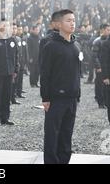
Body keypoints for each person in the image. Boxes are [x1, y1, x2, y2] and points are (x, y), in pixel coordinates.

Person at [40, 9, 81, 164]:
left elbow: (77, 72)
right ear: (59, 24)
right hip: (56, 99)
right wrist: (45, 98)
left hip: (72, 98)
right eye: (68, 20)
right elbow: (45, 74)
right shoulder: (51, 46)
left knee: (66, 135)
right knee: (52, 135)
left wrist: (78, 94)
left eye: (74, 20)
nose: (72, 23)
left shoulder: (76, 45)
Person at [0, 19, 19, 126]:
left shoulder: (11, 39)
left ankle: (5, 117)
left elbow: (16, 56)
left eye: (7, 25)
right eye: (3, 24)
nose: (6, 26)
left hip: (9, 72)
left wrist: (15, 69)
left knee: (7, 95)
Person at [92, 23, 110, 108]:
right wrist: (98, 66)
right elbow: (94, 56)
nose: (109, 31)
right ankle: (100, 102)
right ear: (102, 30)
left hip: (108, 66)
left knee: (107, 85)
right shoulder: (97, 41)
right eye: (107, 30)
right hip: (100, 67)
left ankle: (107, 101)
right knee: (99, 85)